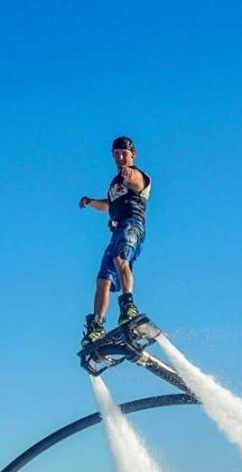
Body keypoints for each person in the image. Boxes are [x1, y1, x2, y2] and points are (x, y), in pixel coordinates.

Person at [79, 136, 152, 344]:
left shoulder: (139, 176)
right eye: (116, 154)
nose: (120, 157)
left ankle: (128, 305)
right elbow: (109, 205)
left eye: (124, 154)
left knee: (121, 258)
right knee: (103, 278)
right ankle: (97, 326)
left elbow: (136, 181)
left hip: (132, 225)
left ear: (133, 155)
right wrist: (91, 201)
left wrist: (129, 174)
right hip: (117, 231)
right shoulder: (114, 184)